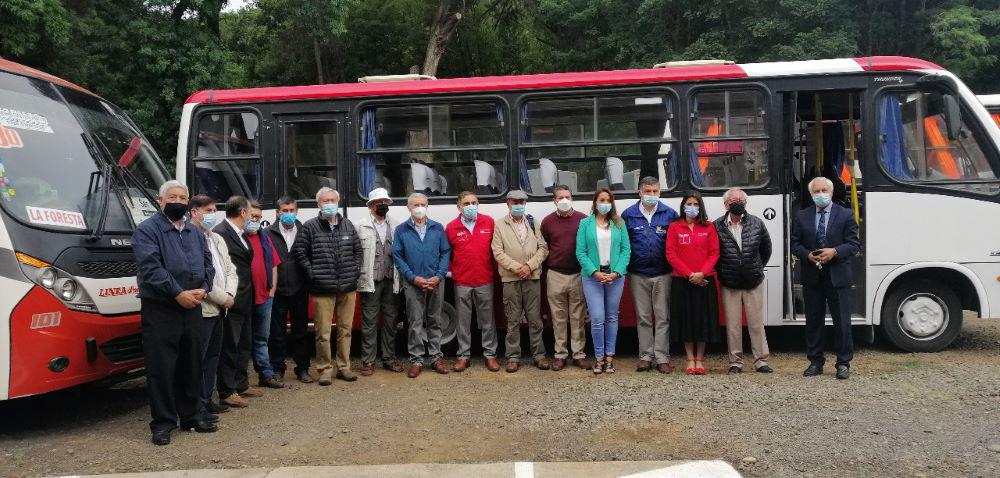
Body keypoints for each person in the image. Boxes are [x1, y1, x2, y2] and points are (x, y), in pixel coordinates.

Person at [133, 180, 216, 445]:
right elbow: (150, 268)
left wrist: (204, 288)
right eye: (172, 197)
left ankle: (191, 416)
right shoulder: (147, 230)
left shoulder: (194, 233)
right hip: (162, 309)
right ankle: (163, 422)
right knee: (162, 368)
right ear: (160, 201)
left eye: (182, 197)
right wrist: (177, 293)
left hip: (192, 307)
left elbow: (208, 264)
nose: (178, 201)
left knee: (191, 364)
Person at [791, 177, 861, 380]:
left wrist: (835, 252)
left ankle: (843, 363)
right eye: (817, 191)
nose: (821, 194)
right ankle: (815, 362)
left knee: (842, 322)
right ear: (811, 194)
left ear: (831, 192)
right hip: (812, 276)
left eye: (824, 190)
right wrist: (807, 255)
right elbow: (794, 244)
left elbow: (854, 244)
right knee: (813, 321)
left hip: (838, 277)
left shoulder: (846, 214)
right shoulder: (802, 216)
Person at [292, 187, 363, 385]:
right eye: (325, 201)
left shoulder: (347, 225)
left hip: (347, 287)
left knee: (345, 330)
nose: (329, 204)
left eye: (333, 200)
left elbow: (358, 251)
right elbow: (300, 253)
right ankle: (324, 369)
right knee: (323, 332)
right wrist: (313, 274)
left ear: (337, 203)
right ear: (318, 204)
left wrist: (355, 272)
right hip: (321, 288)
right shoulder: (309, 226)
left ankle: (344, 367)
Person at [713, 188, 773, 374]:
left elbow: (766, 249)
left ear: (746, 203)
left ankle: (761, 361)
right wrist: (725, 271)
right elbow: (714, 254)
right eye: (733, 200)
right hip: (729, 282)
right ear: (725, 204)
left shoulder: (757, 223)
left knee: (756, 323)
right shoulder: (717, 226)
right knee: (733, 325)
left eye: (740, 200)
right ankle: (735, 362)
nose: (737, 203)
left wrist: (755, 268)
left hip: (753, 280)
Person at [621, 177, 677, 373]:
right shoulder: (628, 215)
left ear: (659, 192)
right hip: (637, 274)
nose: (651, 195)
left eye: (655, 191)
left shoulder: (670, 214)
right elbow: (623, 245)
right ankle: (645, 356)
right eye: (647, 191)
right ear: (640, 192)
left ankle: (662, 357)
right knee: (643, 317)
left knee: (663, 317)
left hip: (663, 273)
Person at [392, 193, 452, 378]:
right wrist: (413, 278)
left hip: (436, 282)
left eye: (423, 204)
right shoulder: (401, 230)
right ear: (409, 208)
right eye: (415, 205)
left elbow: (445, 252)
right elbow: (398, 256)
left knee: (435, 320)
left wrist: (439, 276)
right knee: (415, 322)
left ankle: (436, 358)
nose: (419, 208)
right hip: (413, 283)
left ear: (427, 206)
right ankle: (416, 360)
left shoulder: (437, 227)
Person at [188, 195, 238, 417]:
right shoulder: (189, 237)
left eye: (214, 210)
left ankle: (208, 400)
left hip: (220, 308)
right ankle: (197, 405)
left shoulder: (216, 238)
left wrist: (230, 294)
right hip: (204, 309)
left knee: (212, 357)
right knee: (198, 359)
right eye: (207, 211)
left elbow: (230, 270)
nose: (212, 215)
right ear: (194, 212)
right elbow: (199, 276)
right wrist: (222, 298)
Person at [492, 189, 550, 373]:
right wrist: (518, 268)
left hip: (532, 277)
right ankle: (513, 357)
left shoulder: (533, 223)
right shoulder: (499, 225)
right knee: (513, 319)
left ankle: (539, 355)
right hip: (511, 278)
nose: (518, 205)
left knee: (535, 319)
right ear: (508, 203)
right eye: (515, 202)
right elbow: (498, 252)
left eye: (521, 202)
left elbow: (543, 249)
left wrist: (529, 266)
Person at [213, 195, 263, 408]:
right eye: (250, 212)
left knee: (244, 344)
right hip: (231, 300)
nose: (252, 216)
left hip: (245, 298)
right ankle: (227, 390)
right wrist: (228, 296)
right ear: (242, 212)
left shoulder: (241, 234)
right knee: (229, 347)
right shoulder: (220, 233)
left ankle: (241, 383)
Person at [575, 188, 630, 374]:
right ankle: (598, 357)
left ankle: (609, 358)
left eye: (608, 200)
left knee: (612, 316)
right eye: (602, 200)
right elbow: (580, 252)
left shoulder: (619, 223)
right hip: (592, 277)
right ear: (595, 202)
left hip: (615, 277)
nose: (605, 203)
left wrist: (617, 272)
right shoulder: (585, 223)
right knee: (597, 318)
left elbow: (626, 250)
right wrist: (594, 272)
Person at [666, 191, 721, 375]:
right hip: (682, 280)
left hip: (705, 280)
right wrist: (690, 274)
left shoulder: (709, 227)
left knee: (703, 320)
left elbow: (714, 253)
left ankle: (700, 359)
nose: (692, 207)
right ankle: (690, 359)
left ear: (700, 207)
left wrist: (702, 273)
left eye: (696, 204)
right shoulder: (674, 227)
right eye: (689, 204)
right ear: (683, 206)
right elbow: (671, 254)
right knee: (686, 320)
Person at [445, 191, 500, 372]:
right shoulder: (451, 227)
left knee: (487, 320)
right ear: (459, 207)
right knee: (463, 321)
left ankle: (490, 355)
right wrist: (456, 272)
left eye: (474, 203)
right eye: (466, 203)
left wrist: (491, 270)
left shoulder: (489, 222)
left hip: (485, 279)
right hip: (462, 281)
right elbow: (448, 254)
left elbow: (495, 250)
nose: (471, 206)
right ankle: (463, 356)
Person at [540, 185, 589, 371]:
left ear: (572, 198)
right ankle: (560, 355)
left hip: (578, 274)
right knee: (558, 318)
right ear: (554, 201)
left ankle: (579, 354)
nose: (564, 200)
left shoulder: (584, 220)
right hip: (555, 274)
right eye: (560, 197)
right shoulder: (547, 222)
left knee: (578, 317)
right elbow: (544, 248)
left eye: (567, 196)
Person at [357, 188, 405, 375]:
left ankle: (389, 358)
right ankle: (368, 361)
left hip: (391, 279)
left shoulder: (397, 225)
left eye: (385, 202)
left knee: (391, 321)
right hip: (370, 280)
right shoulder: (360, 225)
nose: (382, 205)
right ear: (371, 205)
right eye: (378, 202)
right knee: (369, 322)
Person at [266, 197, 312, 383]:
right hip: (277, 291)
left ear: (297, 211)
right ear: (277, 213)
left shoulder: (305, 231)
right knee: (276, 334)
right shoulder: (267, 233)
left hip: (299, 290)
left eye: (292, 210)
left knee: (300, 332)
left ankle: (303, 369)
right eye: (285, 211)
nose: (288, 214)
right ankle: (277, 369)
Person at [245, 202, 283, 389]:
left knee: (262, 338)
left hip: (265, 297)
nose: (255, 220)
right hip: (243, 298)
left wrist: (272, 291)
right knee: (242, 341)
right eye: (251, 216)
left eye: (258, 217)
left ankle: (265, 374)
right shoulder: (236, 237)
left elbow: (274, 265)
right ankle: (240, 379)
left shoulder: (264, 238)